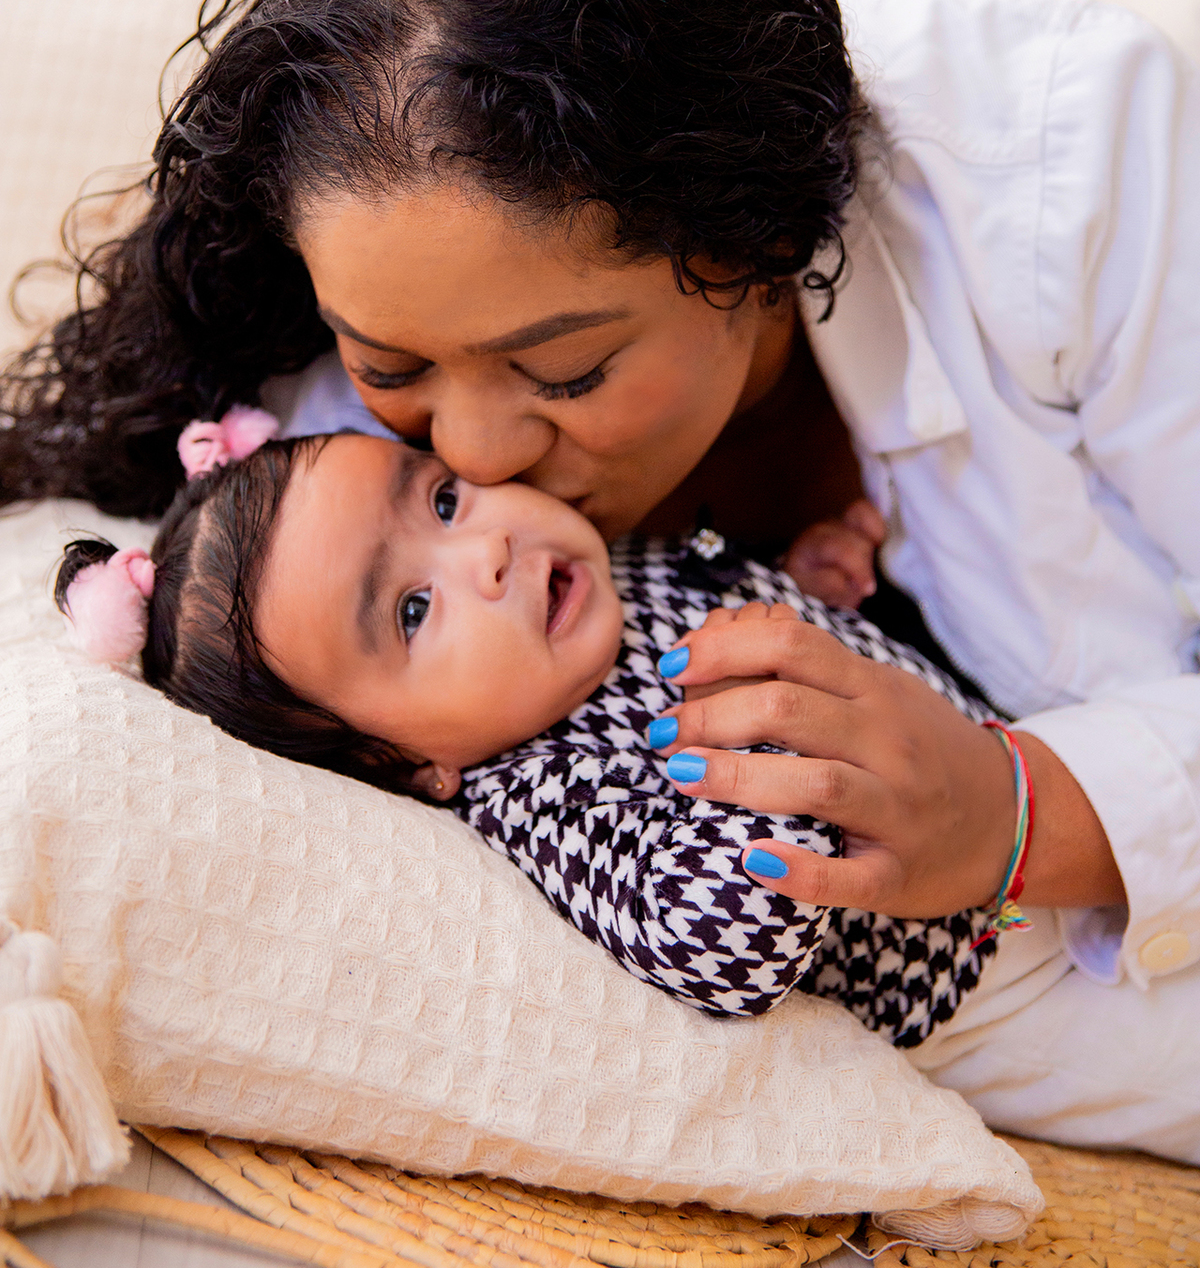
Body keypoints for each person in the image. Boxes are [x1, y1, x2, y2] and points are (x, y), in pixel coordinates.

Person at [3, 0, 1198, 1158]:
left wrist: (1023, 812)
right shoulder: (309, 431)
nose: (478, 456)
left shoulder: (1062, 162)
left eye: (564, 373)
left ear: (753, 234)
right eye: (395, 370)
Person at [56, 418, 1005, 1046]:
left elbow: (720, 585)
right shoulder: (543, 787)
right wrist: (773, 727)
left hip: (1005, 772)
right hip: (978, 972)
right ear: (404, 761)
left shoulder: (601, 568)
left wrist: (800, 584)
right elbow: (716, 943)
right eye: (415, 611)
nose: (489, 551)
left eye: (441, 500)